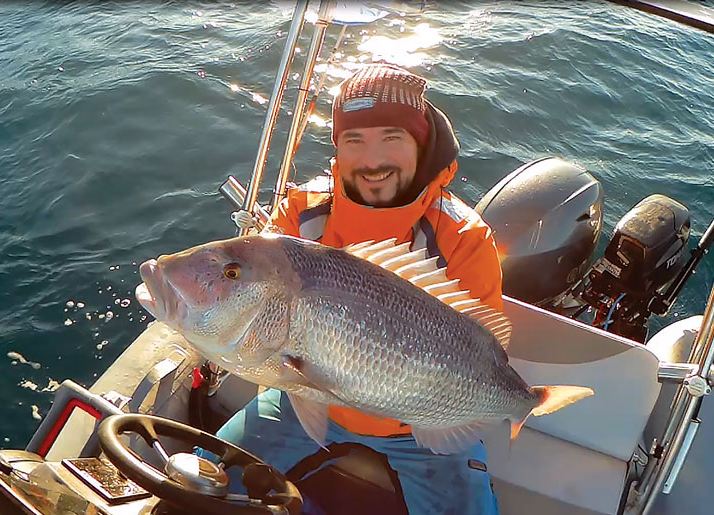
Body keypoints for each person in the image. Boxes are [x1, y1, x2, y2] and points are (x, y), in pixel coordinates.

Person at [213, 63, 503, 514]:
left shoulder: (464, 238)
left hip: (420, 424)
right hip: (301, 397)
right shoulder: (300, 213)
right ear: (337, 149)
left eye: (392, 137)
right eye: (355, 140)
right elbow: (252, 305)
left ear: (420, 144)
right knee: (199, 478)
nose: (372, 161)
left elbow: (482, 347)